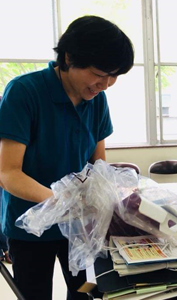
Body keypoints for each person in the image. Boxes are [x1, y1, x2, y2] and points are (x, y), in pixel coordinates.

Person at [0, 16, 134, 300]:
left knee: (87, 293)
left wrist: (111, 199)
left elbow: (98, 164)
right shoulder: (25, 92)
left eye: (114, 76)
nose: (106, 84)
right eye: (100, 73)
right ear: (69, 58)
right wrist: (59, 201)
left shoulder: (96, 100)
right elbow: (8, 172)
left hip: (80, 225)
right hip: (30, 227)